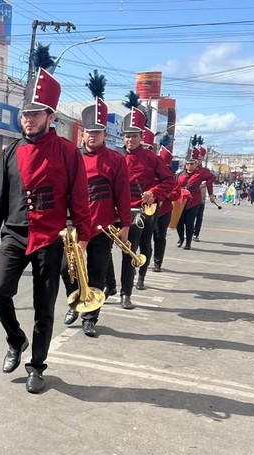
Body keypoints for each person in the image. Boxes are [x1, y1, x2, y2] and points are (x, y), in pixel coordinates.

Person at [0, 47, 90, 394]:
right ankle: (15, 340)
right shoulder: (10, 151)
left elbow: (78, 198)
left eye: (34, 114)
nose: (27, 119)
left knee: (45, 308)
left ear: (49, 115)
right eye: (24, 113)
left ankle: (37, 366)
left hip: (51, 237)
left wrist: (83, 236)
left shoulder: (68, 152)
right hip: (14, 234)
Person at [62, 74, 131, 337]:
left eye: (97, 132)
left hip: (102, 226)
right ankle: (75, 301)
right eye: (88, 131)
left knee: (97, 271)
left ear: (105, 134)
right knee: (67, 270)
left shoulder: (116, 160)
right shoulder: (72, 157)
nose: (92, 136)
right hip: (75, 226)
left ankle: (90, 316)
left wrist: (124, 224)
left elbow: (123, 195)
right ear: (83, 133)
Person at [108, 115, 175, 302]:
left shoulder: (150, 158)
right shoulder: (114, 156)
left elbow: (169, 180)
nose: (130, 139)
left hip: (136, 210)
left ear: (141, 137)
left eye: (134, 136)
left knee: (129, 251)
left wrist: (154, 192)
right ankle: (110, 285)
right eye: (127, 136)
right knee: (102, 250)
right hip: (111, 210)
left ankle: (126, 293)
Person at [176, 143, 214, 250]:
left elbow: (211, 179)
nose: (190, 165)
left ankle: (189, 242)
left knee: (190, 222)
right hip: (181, 200)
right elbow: (175, 184)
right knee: (179, 222)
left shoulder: (201, 172)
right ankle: (181, 238)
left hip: (195, 200)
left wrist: (206, 187)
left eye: (193, 163)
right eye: (188, 163)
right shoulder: (180, 174)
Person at [152, 145, 181, 272]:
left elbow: (177, 193)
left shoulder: (171, 178)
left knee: (159, 237)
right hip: (148, 209)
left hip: (164, 211)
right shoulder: (151, 173)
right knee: (144, 239)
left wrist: (166, 195)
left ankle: (158, 262)